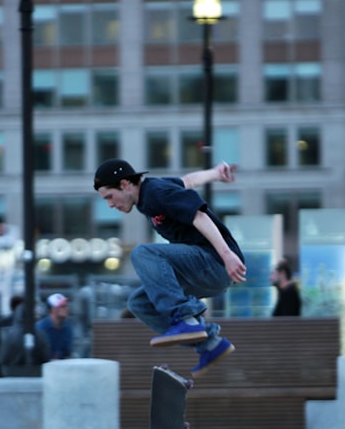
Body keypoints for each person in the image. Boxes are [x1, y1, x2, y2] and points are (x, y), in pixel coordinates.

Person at [94, 158, 246, 377]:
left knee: (142, 253)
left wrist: (227, 255)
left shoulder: (155, 192)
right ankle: (210, 344)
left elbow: (198, 214)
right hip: (200, 271)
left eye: (110, 196)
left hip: (214, 262)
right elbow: (187, 181)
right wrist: (215, 173)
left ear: (125, 184)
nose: (110, 205)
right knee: (139, 303)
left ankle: (185, 319)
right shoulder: (152, 194)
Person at [0, 295, 51, 376]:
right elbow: (46, 358)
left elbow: (2, 359)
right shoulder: (41, 335)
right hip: (36, 377)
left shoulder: (8, 336)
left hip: (11, 377)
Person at [35, 293, 74, 360]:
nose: (67, 309)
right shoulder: (40, 328)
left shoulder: (68, 328)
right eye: (63, 306)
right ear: (53, 309)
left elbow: (67, 353)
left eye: (66, 306)